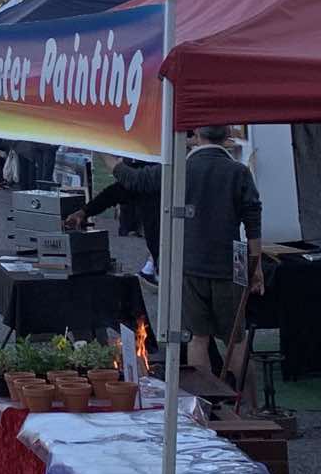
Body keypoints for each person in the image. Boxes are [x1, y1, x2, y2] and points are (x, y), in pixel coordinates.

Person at [181, 126, 263, 372]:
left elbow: (134, 180)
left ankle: (203, 407)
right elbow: (253, 220)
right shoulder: (238, 171)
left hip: (192, 262)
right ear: (227, 135)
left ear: (196, 135)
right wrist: (255, 267)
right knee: (236, 341)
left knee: (198, 339)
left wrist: (109, 158)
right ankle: (246, 405)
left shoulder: (183, 170)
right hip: (230, 264)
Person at [69, 156, 164, 274]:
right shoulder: (152, 171)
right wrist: (84, 212)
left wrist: (105, 155)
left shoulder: (167, 170)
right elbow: (115, 192)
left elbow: (133, 180)